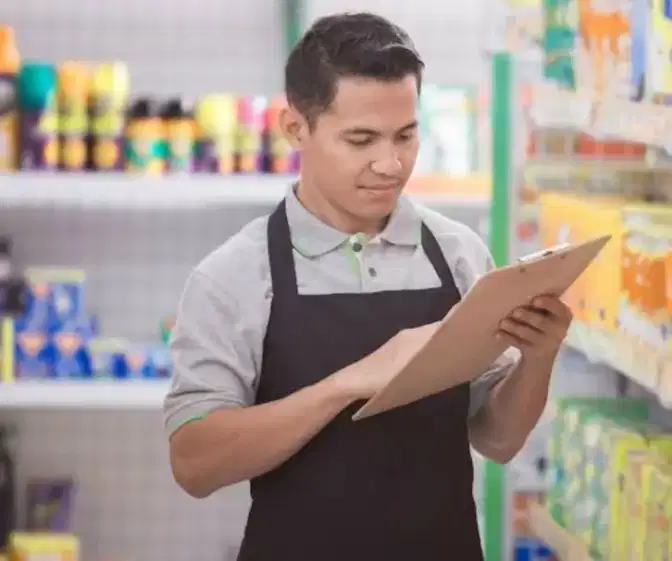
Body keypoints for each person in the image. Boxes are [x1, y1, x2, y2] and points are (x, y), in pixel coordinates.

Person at [163, 12, 572, 561]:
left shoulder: (458, 255)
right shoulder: (234, 275)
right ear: (295, 129)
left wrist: (538, 357)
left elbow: (497, 439)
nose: (390, 164)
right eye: (361, 140)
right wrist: (349, 383)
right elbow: (194, 464)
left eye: (406, 136)